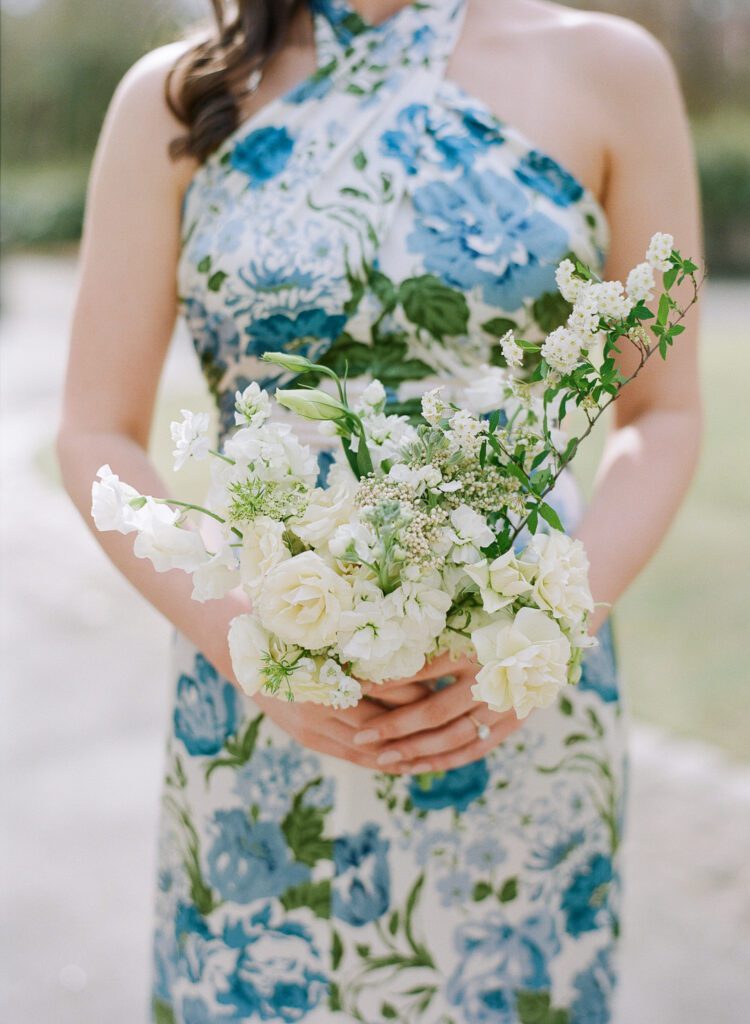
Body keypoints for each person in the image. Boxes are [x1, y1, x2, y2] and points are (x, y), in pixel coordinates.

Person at [57, 0, 703, 1020]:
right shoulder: (177, 100)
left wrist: (549, 627)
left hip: (517, 698)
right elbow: (96, 433)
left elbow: (660, 414)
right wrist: (254, 653)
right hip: (262, 692)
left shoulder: (611, 70)